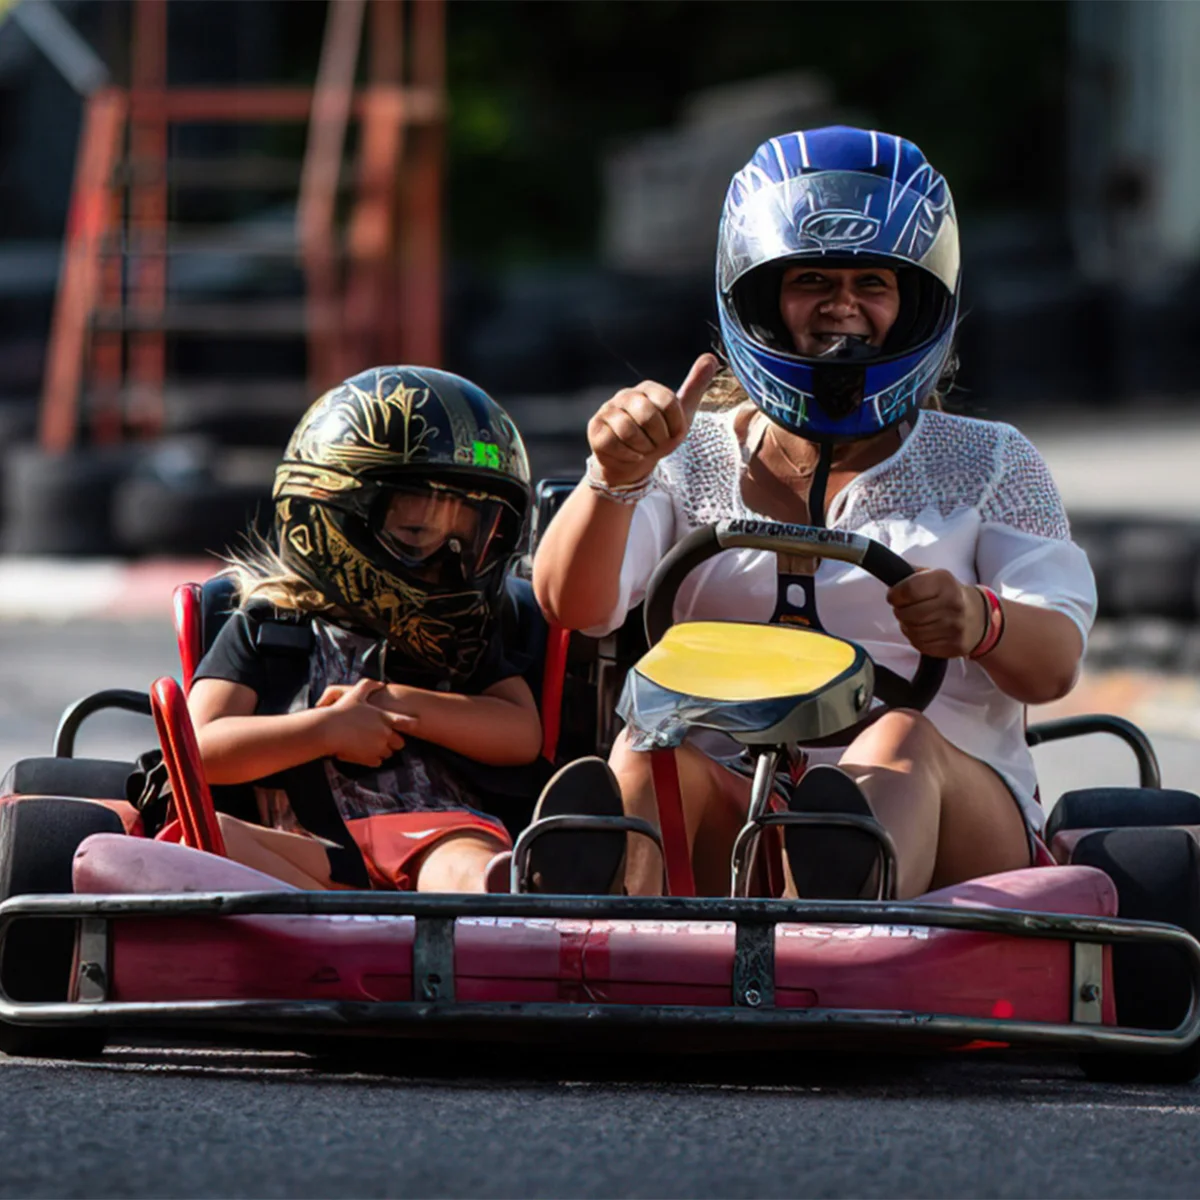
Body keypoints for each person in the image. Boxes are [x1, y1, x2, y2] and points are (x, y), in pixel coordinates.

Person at [533, 126, 1097, 901]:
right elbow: (575, 607)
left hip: (954, 820)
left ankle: (827, 926)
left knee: (897, 739)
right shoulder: (684, 452)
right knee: (646, 753)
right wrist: (615, 474)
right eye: (812, 282)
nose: (842, 307)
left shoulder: (990, 461)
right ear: (762, 296)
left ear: (916, 301)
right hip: (733, 801)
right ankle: (599, 941)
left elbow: (1056, 663)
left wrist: (978, 618)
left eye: (873, 283)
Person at [188, 365, 570, 894]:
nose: (447, 560)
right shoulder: (269, 623)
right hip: (305, 848)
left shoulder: (457, 631)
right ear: (331, 513)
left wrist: (396, 707)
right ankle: (340, 915)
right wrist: (327, 731)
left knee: (465, 857)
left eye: (467, 539)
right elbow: (198, 749)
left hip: (432, 830)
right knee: (204, 838)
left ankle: (497, 895)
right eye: (417, 531)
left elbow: (521, 735)